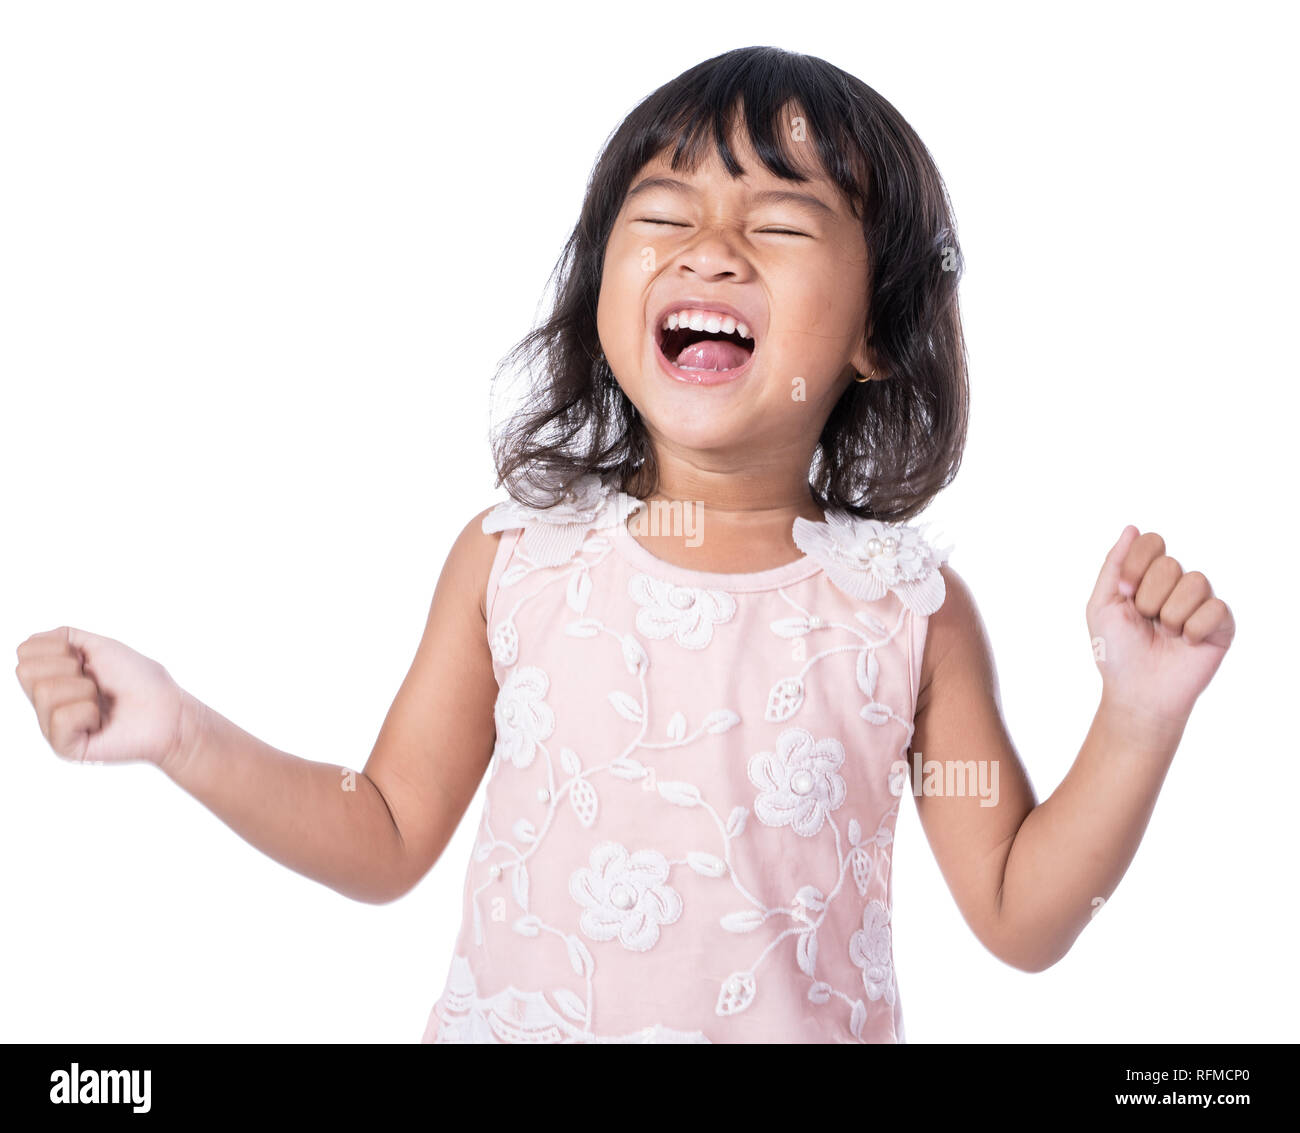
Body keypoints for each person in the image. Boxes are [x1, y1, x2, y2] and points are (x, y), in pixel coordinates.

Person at [15, 46, 1235, 1043]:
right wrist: (181, 729)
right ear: (604, 291)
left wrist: (1138, 715)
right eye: (662, 215)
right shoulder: (516, 561)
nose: (710, 247)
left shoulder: (903, 609)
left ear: (877, 334)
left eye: (782, 225)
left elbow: (1022, 911)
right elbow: (383, 828)